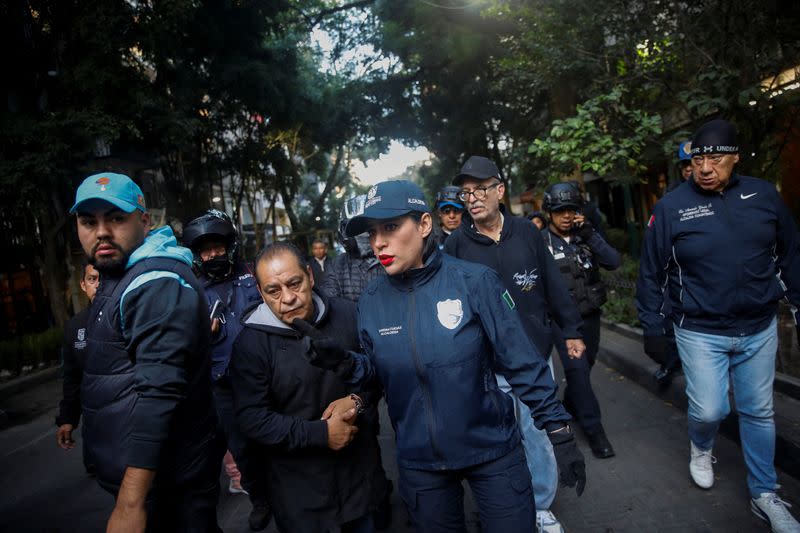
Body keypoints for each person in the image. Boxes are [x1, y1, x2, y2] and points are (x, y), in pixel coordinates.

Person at [298, 180, 586, 533]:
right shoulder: (371, 301)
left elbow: (523, 362)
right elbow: (377, 374)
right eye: (372, 232)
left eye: (390, 227)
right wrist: (344, 362)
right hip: (421, 464)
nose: (378, 243)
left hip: (492, 450)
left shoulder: (475, 281)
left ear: (423, 225)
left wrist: (560, 433)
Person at [636, 119, 800, 532]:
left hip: (758, 327)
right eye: (698, 159)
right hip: (700, 330)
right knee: (710, 409)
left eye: (715, 158)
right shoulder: (672, 207)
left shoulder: (763, 195)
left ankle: (765, 493)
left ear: (736, 158)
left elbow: (790, 254)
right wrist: (653, 326)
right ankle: (701, 444)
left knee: (759, 412)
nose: (705, 168)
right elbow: (651, 272)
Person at [70, 172, 222, 532]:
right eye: (89, 221)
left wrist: (130, 504)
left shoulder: (154, 284)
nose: (101, 231)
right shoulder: (120, 273)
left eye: (116, 218)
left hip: (169, 487)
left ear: (145, 221)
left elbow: (158, 396)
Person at [443, 156, 586, 533]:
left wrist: (570, 330)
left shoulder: (526, 232)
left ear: (499, 190)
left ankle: (541, 505)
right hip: (484, 366)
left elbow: (553, 285)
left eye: (479, 190)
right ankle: (506, 506)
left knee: (537, 436)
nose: (471, 199)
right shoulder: (456, 245)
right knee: (498, 440)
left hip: (533, 358)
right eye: (466, 193)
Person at [229, 242, 383, 533]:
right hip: (299, 494)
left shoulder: (350, 316)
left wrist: (357, 401)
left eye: (294, 284)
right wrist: (321, 434)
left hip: (359, 481)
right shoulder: (250, 345)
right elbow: (252, 419)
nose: (288, 298)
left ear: (310, 276)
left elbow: (381, 376)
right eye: (273, 291)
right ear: (261, 294)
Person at [183, 209, 271, 531]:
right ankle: (261, 499)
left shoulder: (252, 274)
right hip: (222, 385)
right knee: (243, 450)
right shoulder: (190, 292)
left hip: (264, 375)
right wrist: (201, 335)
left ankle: (288, 492)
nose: (212, 254)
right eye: (205, 250)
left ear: (229, 247)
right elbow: (183, 347)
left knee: (278, 439)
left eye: (217, 247)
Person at [543, 182, 620, 458]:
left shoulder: (586, 235)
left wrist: (590, 234)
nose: (566, 215)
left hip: (590, 316)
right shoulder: (540, 242)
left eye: (571, 210)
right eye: (560, 210)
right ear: (549, 212)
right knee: (576, 370)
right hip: (562, 322)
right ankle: (594, 430)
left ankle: (571, 402)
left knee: (585, 367)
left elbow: (613, 261)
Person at [651, 140, 694, 387]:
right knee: (672, 319)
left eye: (692, 163)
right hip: (677, 273)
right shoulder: (671, 198)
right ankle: (671, 362)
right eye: (685, 164)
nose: (690, 169)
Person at [55, 262, 100, 474]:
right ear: (83, 285)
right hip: (94, 421)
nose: (98, 285)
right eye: (92, 279)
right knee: (99, 472)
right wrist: (67, 419)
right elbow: (72, 378)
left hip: (130, 418)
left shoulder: (127, 315)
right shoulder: (75, 327)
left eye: (103, 278)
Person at [321, 195, 385, 303]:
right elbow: (330, 303)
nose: (363, 235)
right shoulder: (337, 265)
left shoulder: (394, 258)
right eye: (356, 229)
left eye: (368, 229)